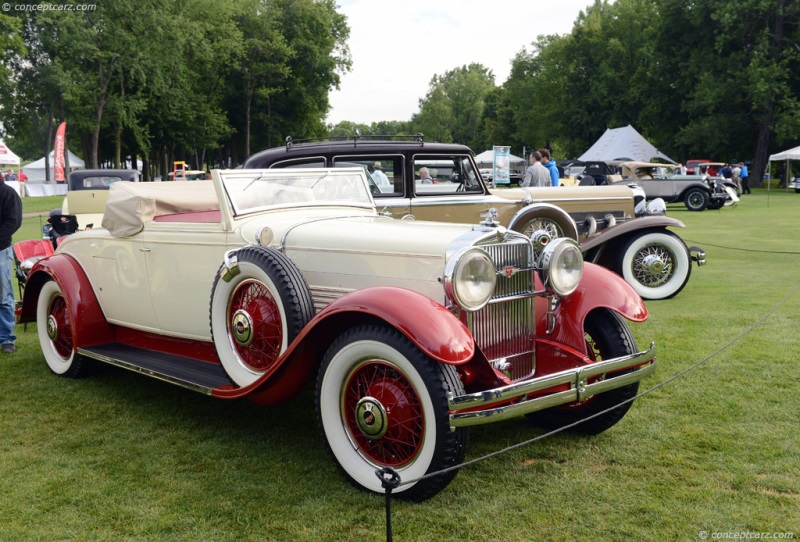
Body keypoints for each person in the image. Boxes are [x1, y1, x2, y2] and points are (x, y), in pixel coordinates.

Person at [0, 174, 23, 354]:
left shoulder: (8, 193)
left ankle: (7, 339)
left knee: (3, 296)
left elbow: (13, 221)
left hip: (1, 250)